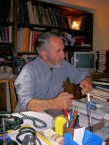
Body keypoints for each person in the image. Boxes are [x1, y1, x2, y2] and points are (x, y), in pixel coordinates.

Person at [14, 32, 93, 117]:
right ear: (44, 55)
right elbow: (26, 104)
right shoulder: (28, 71)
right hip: (28, 120)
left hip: (53, 116)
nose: (63, 55)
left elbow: (82, 74)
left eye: (63, 50)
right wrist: (54, 103)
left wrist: (87, 80)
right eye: (58, 51)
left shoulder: (63, 64)